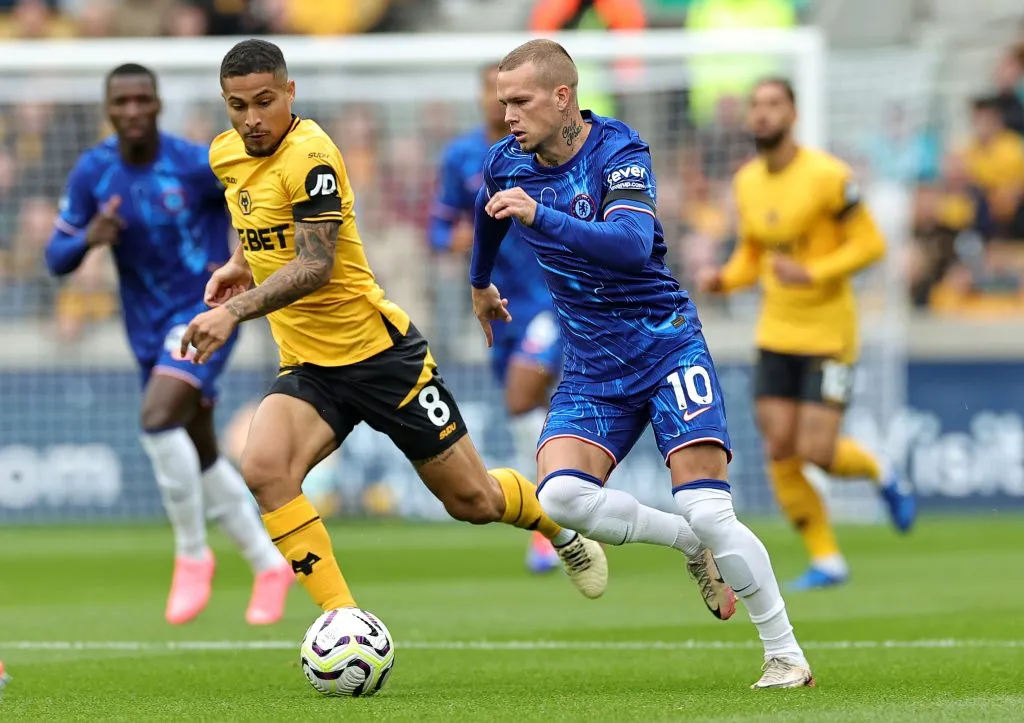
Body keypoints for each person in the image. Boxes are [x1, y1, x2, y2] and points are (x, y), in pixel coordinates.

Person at [178, 39, 610, 617]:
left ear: (289, 93)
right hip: (309, 366)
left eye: (264, 101)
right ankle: (343, 620)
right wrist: (240, 263)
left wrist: (232, 312)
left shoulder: (312, 158)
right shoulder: (225, 154)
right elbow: (257, 216)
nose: (252, 118)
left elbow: (314, 265)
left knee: (474, 501)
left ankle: (557, 528)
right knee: (264, 469)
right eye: (238, 106)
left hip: (381, 356)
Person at [472, 39, 813, 689]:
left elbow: (631, 244)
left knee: (709, 508)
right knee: (561, 496)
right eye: (502, 102)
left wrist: (539, 213)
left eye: (520, 101)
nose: (508, 115)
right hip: (593, 367)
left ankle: (785, 654)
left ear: (562, 97)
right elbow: (490, 207)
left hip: (665, 347)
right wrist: (480, 281)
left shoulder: (618, 151)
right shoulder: (506, 160)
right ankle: (687, 544)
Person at [44, 63, 294, 626]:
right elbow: (55, 259)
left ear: (158, 105)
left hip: (203, 312)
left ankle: (192, 554)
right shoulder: (95, 171)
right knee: (199, 449)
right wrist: (89, 239)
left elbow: (253, 197)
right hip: (145, 328)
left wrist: (241, 261)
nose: (133, 110)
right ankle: (267, 563)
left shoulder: (193, 163)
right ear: (109, 109)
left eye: (142, 100)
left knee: (157, 420)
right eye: (122, 102)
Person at [697, 78, 917, 592]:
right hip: (776, 333)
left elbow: (871, 244)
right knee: (780, 449)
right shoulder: (747, 181)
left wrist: (814, 272)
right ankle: (827, 558)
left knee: (817, 450)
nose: (762, 113)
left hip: (829, 337)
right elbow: (753, 253)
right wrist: (725, 279)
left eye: (773, 104)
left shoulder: (828, 176)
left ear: (793, 114)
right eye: (756, 105)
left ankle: (881, 470)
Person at [429, 64, 562, 575]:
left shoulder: (544, 149)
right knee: (532, 407)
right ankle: (571, 493)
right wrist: (456, 240)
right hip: (496, 305)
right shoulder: (461, 157)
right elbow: (438, 229)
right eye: (490, 91)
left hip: (549, 298)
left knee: (521, 396)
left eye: (509, 95)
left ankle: (550, 518)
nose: (498, 102)